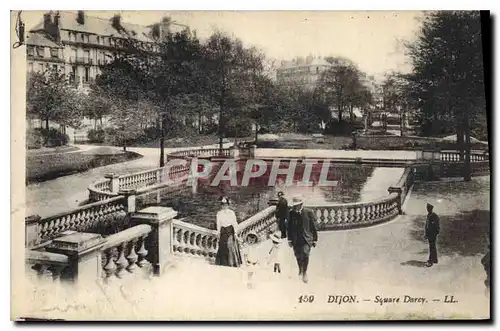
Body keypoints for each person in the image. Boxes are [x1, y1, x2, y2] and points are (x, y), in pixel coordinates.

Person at [287, 197, 318, 283]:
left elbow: (313, 226)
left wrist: (315, 239)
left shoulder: (308, 212)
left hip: (306, 238)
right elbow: (289, 227)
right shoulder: (291, 213)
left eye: (296, 205)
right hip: (295, 239)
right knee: (298, 255)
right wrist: (289, 239)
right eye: (294, 206)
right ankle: (300, 269)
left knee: (305, 254)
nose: (295, 207)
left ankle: (304, 272)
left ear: (301, 204)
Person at [215, 196, 243, 267]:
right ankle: (223, 263)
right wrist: (218, 232)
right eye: (223, 205)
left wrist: (236, 233)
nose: (224, 206)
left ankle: (232, 263)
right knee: (222, 246)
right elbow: (218, 224)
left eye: (225, 205)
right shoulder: (219, 213)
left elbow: (234, 223)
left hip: (230, 230)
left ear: (228, 205)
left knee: (230, 246)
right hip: (223, 231)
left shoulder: (231, 213)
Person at [424, 203, 440, 267]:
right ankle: (435, 259)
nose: (428, 210)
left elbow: (435, 226)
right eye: (427, 209)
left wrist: (435, 232)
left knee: (432, 247)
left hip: (432, 234)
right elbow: (427, 225)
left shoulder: (434, 216)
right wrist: (426, 233)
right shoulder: (429, 215)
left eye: (429, 209)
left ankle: (431, 261)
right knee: (432, 246)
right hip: (429, 234)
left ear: (431, 209)